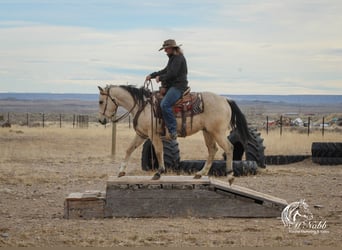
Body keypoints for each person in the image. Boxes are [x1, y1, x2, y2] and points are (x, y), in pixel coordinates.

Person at [146, 39, 188, 141]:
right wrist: (152, 75)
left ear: (172, 48)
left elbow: (172, 73)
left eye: (166, 49)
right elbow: (165, 70)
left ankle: (173, 130)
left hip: (178, 86)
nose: (165, 51)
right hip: (173, 86)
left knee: (164, 104)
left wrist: (160, 78)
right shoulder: (172, 58)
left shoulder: (178, 58)